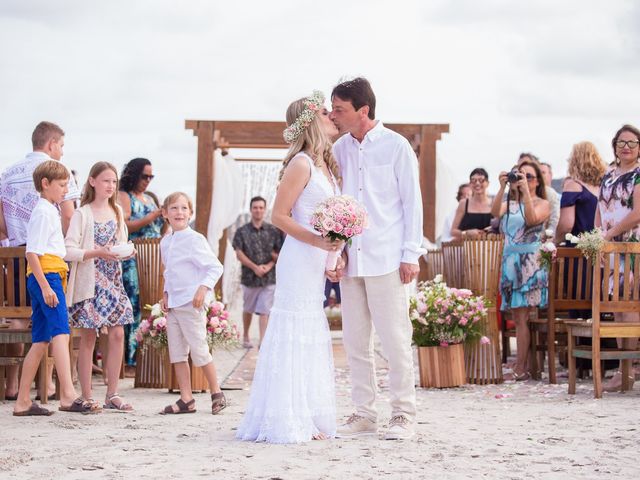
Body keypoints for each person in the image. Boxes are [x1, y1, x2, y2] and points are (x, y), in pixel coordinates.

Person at [236, 90, 340, 443]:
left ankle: (307, 412)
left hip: (315, 261)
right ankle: (290, 416)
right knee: (294, 331)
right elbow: (280, 217)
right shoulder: (301, 164)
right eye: (326, 112)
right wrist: (317, 242)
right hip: (298, 258)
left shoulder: (325, 163)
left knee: (310, 331)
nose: (332, 115)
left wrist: (332, 257)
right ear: (310, 121)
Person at [329, 77, 424, 440]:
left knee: (395, 339)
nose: (334, 116)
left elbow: (412, 204)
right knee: (355, 341)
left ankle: (403, 414)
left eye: (340, 109)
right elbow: (335, 205)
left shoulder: (397, 147)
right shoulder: (338, 150)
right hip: (352, 260)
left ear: (362, 111)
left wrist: (410, 254)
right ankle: (364, 413)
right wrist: (336, 253)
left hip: (388, 258)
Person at [0, 121, 80, 401]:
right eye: (61, 145)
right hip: (45, 267)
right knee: (60, 331)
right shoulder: (52, 191)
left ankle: (18, 394)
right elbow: (69, 217)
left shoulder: (6, 174)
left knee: (34, 333)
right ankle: (64, 392)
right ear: (52, 144)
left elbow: (0, 223)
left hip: (14, 265)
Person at [13, 161, 98, 416]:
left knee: (40, 340)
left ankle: (22, 402)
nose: (65, 190)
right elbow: (31, 253)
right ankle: (68, 395)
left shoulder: (48, 209)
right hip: (47, 276)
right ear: (45, 184)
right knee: (61, 332)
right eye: (62, 185)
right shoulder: (43, 212)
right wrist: (45, 287)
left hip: (48, 275)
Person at [65, 162, 135, 411]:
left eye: (114, 182)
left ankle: (112, 393)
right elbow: (68, 250)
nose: (111, 186)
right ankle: (86, 395)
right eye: (106, 180)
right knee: (88, 338)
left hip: (113, 282)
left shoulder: (117, 211)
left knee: (118, 334)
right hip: (89, 283)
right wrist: (96, 252)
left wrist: (127, 251)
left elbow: (122, 243)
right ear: (93, 181)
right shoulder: (81, 214)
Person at [159, 192, 226, 415]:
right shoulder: (165, 242)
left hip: (191, 303)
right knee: (177, 353)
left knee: (199, 349)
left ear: (190, 213)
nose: (179, 212)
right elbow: (168, 272)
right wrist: (166, 294)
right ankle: (186, 398)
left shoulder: (195, 239)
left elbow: (215, 267)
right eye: (174, 208)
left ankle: (216, 392)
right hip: (174, 305)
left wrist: (203, 288)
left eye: (184, 208)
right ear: (165, 213)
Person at [491, 160, 550, 381]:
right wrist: (501, 187)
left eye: (530, 177)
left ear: (537, 181)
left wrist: (525, 191)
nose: (525, 179)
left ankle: (522, 366)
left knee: (523, 315)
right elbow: (495, 213)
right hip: (509, 261)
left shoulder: (542, 202)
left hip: (530, 264)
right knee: (516, 315)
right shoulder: (509, 203)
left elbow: (532, 219)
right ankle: (521, 364)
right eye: (521, 175)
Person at [595, 124, 640, 392]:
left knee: (631, 305)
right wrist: (598, 238)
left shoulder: (638, 175)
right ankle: (623, 371)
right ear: (614, 146)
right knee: (616, 305)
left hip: (632, 245)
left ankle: (629, 370)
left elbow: (636, 213)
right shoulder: (608, 175)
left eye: (632, 143)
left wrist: (609, 235)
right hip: (610, 245)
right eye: (622, 142)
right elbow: (600, 209)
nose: (626, 147)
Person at [117, 158, 164, 368]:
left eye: (151, 177)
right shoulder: (124, 196)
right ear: (134, 174)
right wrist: (153, 216)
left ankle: (148, 356)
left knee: (151, 303)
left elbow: (160, 227)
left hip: (152, 258)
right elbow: (125, 226)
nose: (148, 181)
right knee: (134, 304)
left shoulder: (148, 199)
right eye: (144, 176)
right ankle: (130, 358)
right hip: (134, 258)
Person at [232, 196, 284, 348]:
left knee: (265, 310)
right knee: (248, 308)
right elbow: (238, 253)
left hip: (269, 278)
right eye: (255, 207)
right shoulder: (242, 231)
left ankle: (263, 341)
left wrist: (268, 266)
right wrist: (255, 267)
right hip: (249, 277)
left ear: (265, 209)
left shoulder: (273, 231)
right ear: (250, 210)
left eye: (261, 207)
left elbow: (278, 252)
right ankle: (246, 335)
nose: (258, 210)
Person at [555, 142, 606, 243]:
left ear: (574, 160)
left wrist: (554, 242)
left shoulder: (573, 185)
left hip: (576, 251)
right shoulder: (603, 187)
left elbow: (566, 226)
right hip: (599, 249)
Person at [519, 153, 560, 235]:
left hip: (538, 240)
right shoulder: (517, 191)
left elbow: (553, 220)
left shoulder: (549, 193)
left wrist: (549, 241)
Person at [450, 168, 493, 240]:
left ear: (487, 183)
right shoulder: (464, 203)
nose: (477, 183)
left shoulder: (494, 203)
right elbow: (453, 231)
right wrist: (466, 233)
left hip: (489, 248)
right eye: (473, 180)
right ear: (470, 184)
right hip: (468, 248)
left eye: (481, 180)